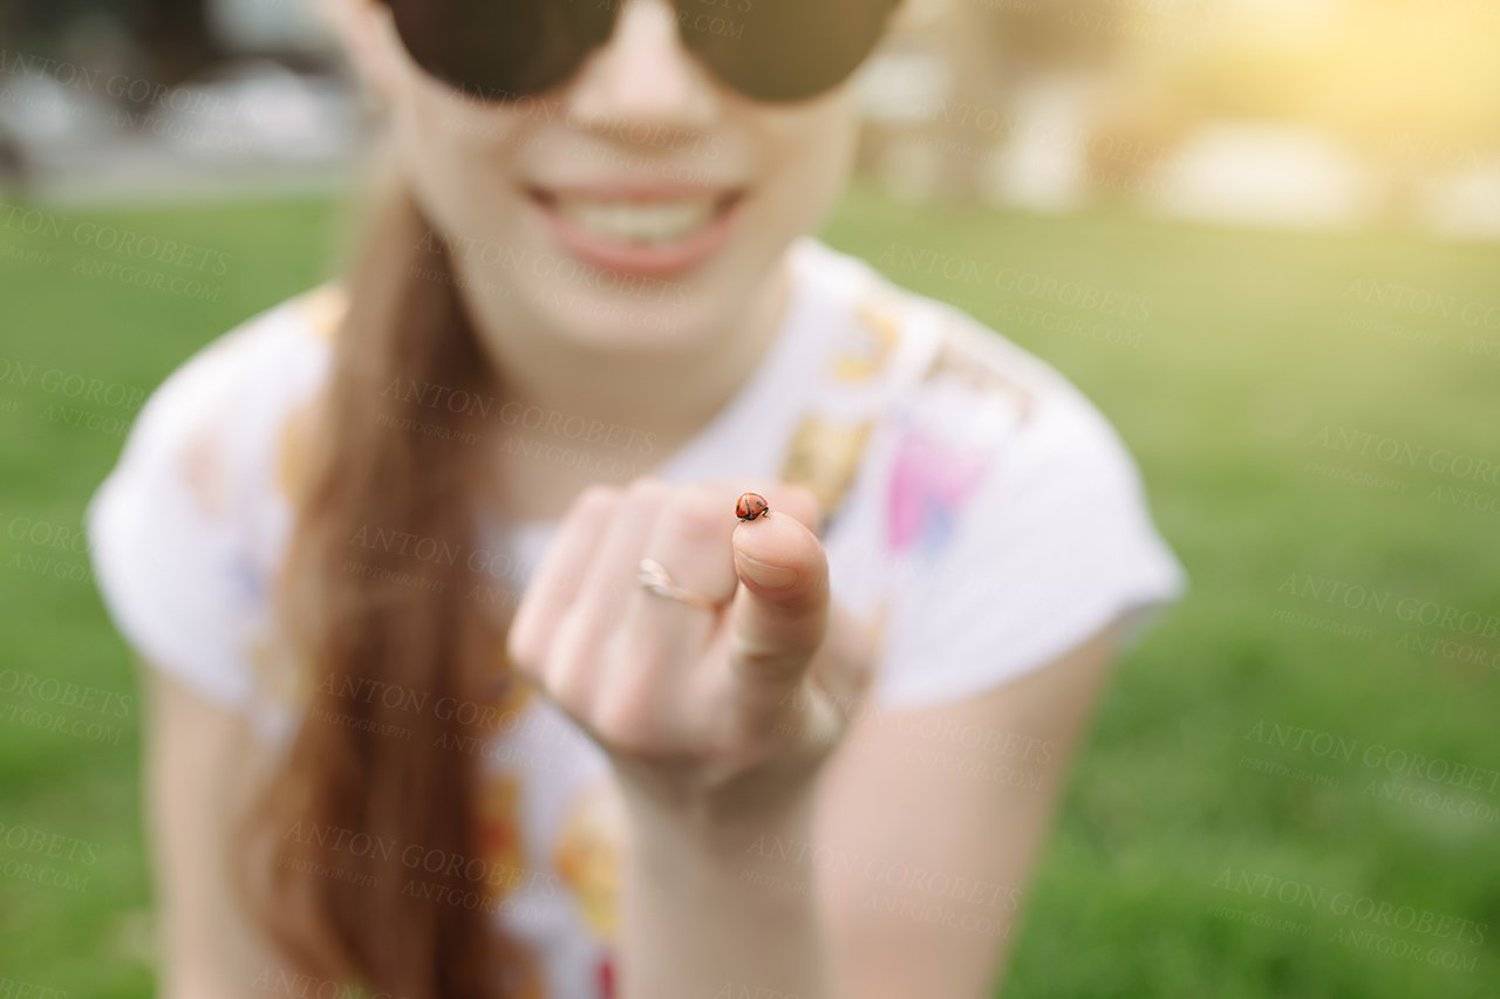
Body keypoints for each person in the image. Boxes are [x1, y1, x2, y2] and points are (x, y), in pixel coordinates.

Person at [86, 1, 1186, 996]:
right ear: (365, 27)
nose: (648, 100)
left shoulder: (1003, 484)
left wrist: (716, 828)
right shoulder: (228, 453)